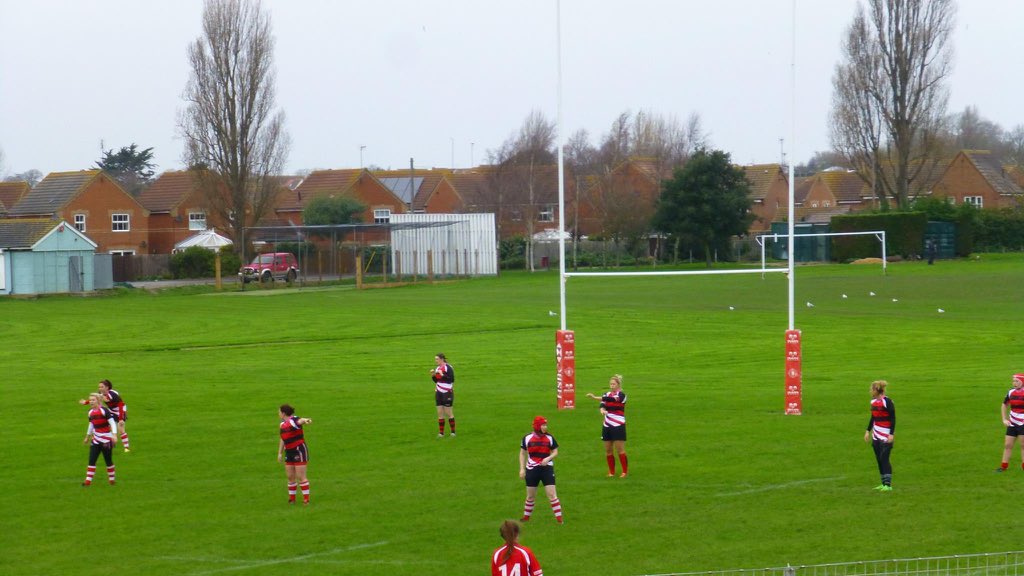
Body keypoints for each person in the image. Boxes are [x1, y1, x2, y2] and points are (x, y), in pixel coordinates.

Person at [519, 416, 563, 524]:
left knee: (552, 494)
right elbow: (522, 453)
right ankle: (526, 517)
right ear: (537, 426)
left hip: (546, 469)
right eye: (543, 425)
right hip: (532, 469)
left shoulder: (550, 438)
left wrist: (548, 458)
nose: (545, 427)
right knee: (530, 496)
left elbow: (555, 452)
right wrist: (522, 469)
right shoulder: (527, 438)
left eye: (545, 425)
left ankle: (560, 520)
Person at [586, 374, 629, 477]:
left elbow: (611, 400)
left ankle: (624, 471)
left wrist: (594, 397)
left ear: (618, 385)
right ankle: (611, 472)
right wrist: (602, 410)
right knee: (608, 450)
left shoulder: (622, 395)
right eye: (610, 384)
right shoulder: (606, 394)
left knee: (620, 449)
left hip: (618, 425)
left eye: (614, 384)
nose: (612, 386)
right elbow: (603, 404)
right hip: (607, 425)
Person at [80, 379, 130, 452]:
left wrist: (121, 419)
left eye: (102, 387)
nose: (100, 389)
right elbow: (95, 398)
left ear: (107, 387)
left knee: (121, 430)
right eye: (99, 387)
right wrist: (86, 402)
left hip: (120, 411)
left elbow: (121, 405)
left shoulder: (113, 394)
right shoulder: (101, 393)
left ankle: (126, 448)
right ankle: (108, 443)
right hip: (111, 411)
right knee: (107, 426)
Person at [864, 380, 895, 491]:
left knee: (884, 458)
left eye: (871, 389)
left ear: (876, 390)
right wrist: (868, 431)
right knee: (879, 459)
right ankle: (883, 483)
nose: (870, 391)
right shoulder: (873, 402)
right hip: (876, 435)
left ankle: (888, 485)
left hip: (886, 434)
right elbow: (873, 417)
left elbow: (893, 418)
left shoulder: (887, 402)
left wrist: (891, 434)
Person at [277, 404, 312, 504]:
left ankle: (306, 499)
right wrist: (280, 453)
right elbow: (282, 439)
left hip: (299, 450)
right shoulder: (282, 424)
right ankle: (292, 499)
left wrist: (306, 420)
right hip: (289, 451)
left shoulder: (294, 420)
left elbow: (300, 421)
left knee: (301, 476)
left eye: (279, 412)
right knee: (290, 476)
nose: (278, 413)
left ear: (283, 413)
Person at [82, 393, 118, 486]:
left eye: (93, 400)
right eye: (90, 400)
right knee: (92, 460)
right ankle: (87, 482)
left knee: (108, 460)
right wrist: (87, 437)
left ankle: (111, 480)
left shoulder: (104, 411)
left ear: (98, 401)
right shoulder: (90, 412)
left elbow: (112, 423)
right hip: (95, 440)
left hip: (106, 440)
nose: (91, 402)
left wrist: (114, 435)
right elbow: (91, 424)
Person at [996, 373, 1024, 472]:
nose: (1014, 383)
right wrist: (1004, 419)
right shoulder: (1010, 392)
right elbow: (1004, 405)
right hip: (1012, 423)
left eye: (1017, 381)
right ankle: (1003, 467)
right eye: (1013, 381)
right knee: (1008, 445)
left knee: (1023, 445)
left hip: (1023, 423)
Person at [432, 353, 456, 437]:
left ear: (442, 359)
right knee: (440, 413)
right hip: (438, 392)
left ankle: (453, 432)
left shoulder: (448, 367)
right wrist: (433, 376)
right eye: (435, 359)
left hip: (447, 392)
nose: (436, 361)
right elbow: (436, 380)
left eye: (437, 359)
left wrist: (442, 375)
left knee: (448, 413)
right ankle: (441, 433)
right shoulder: (437, 368)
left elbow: (451, 379)